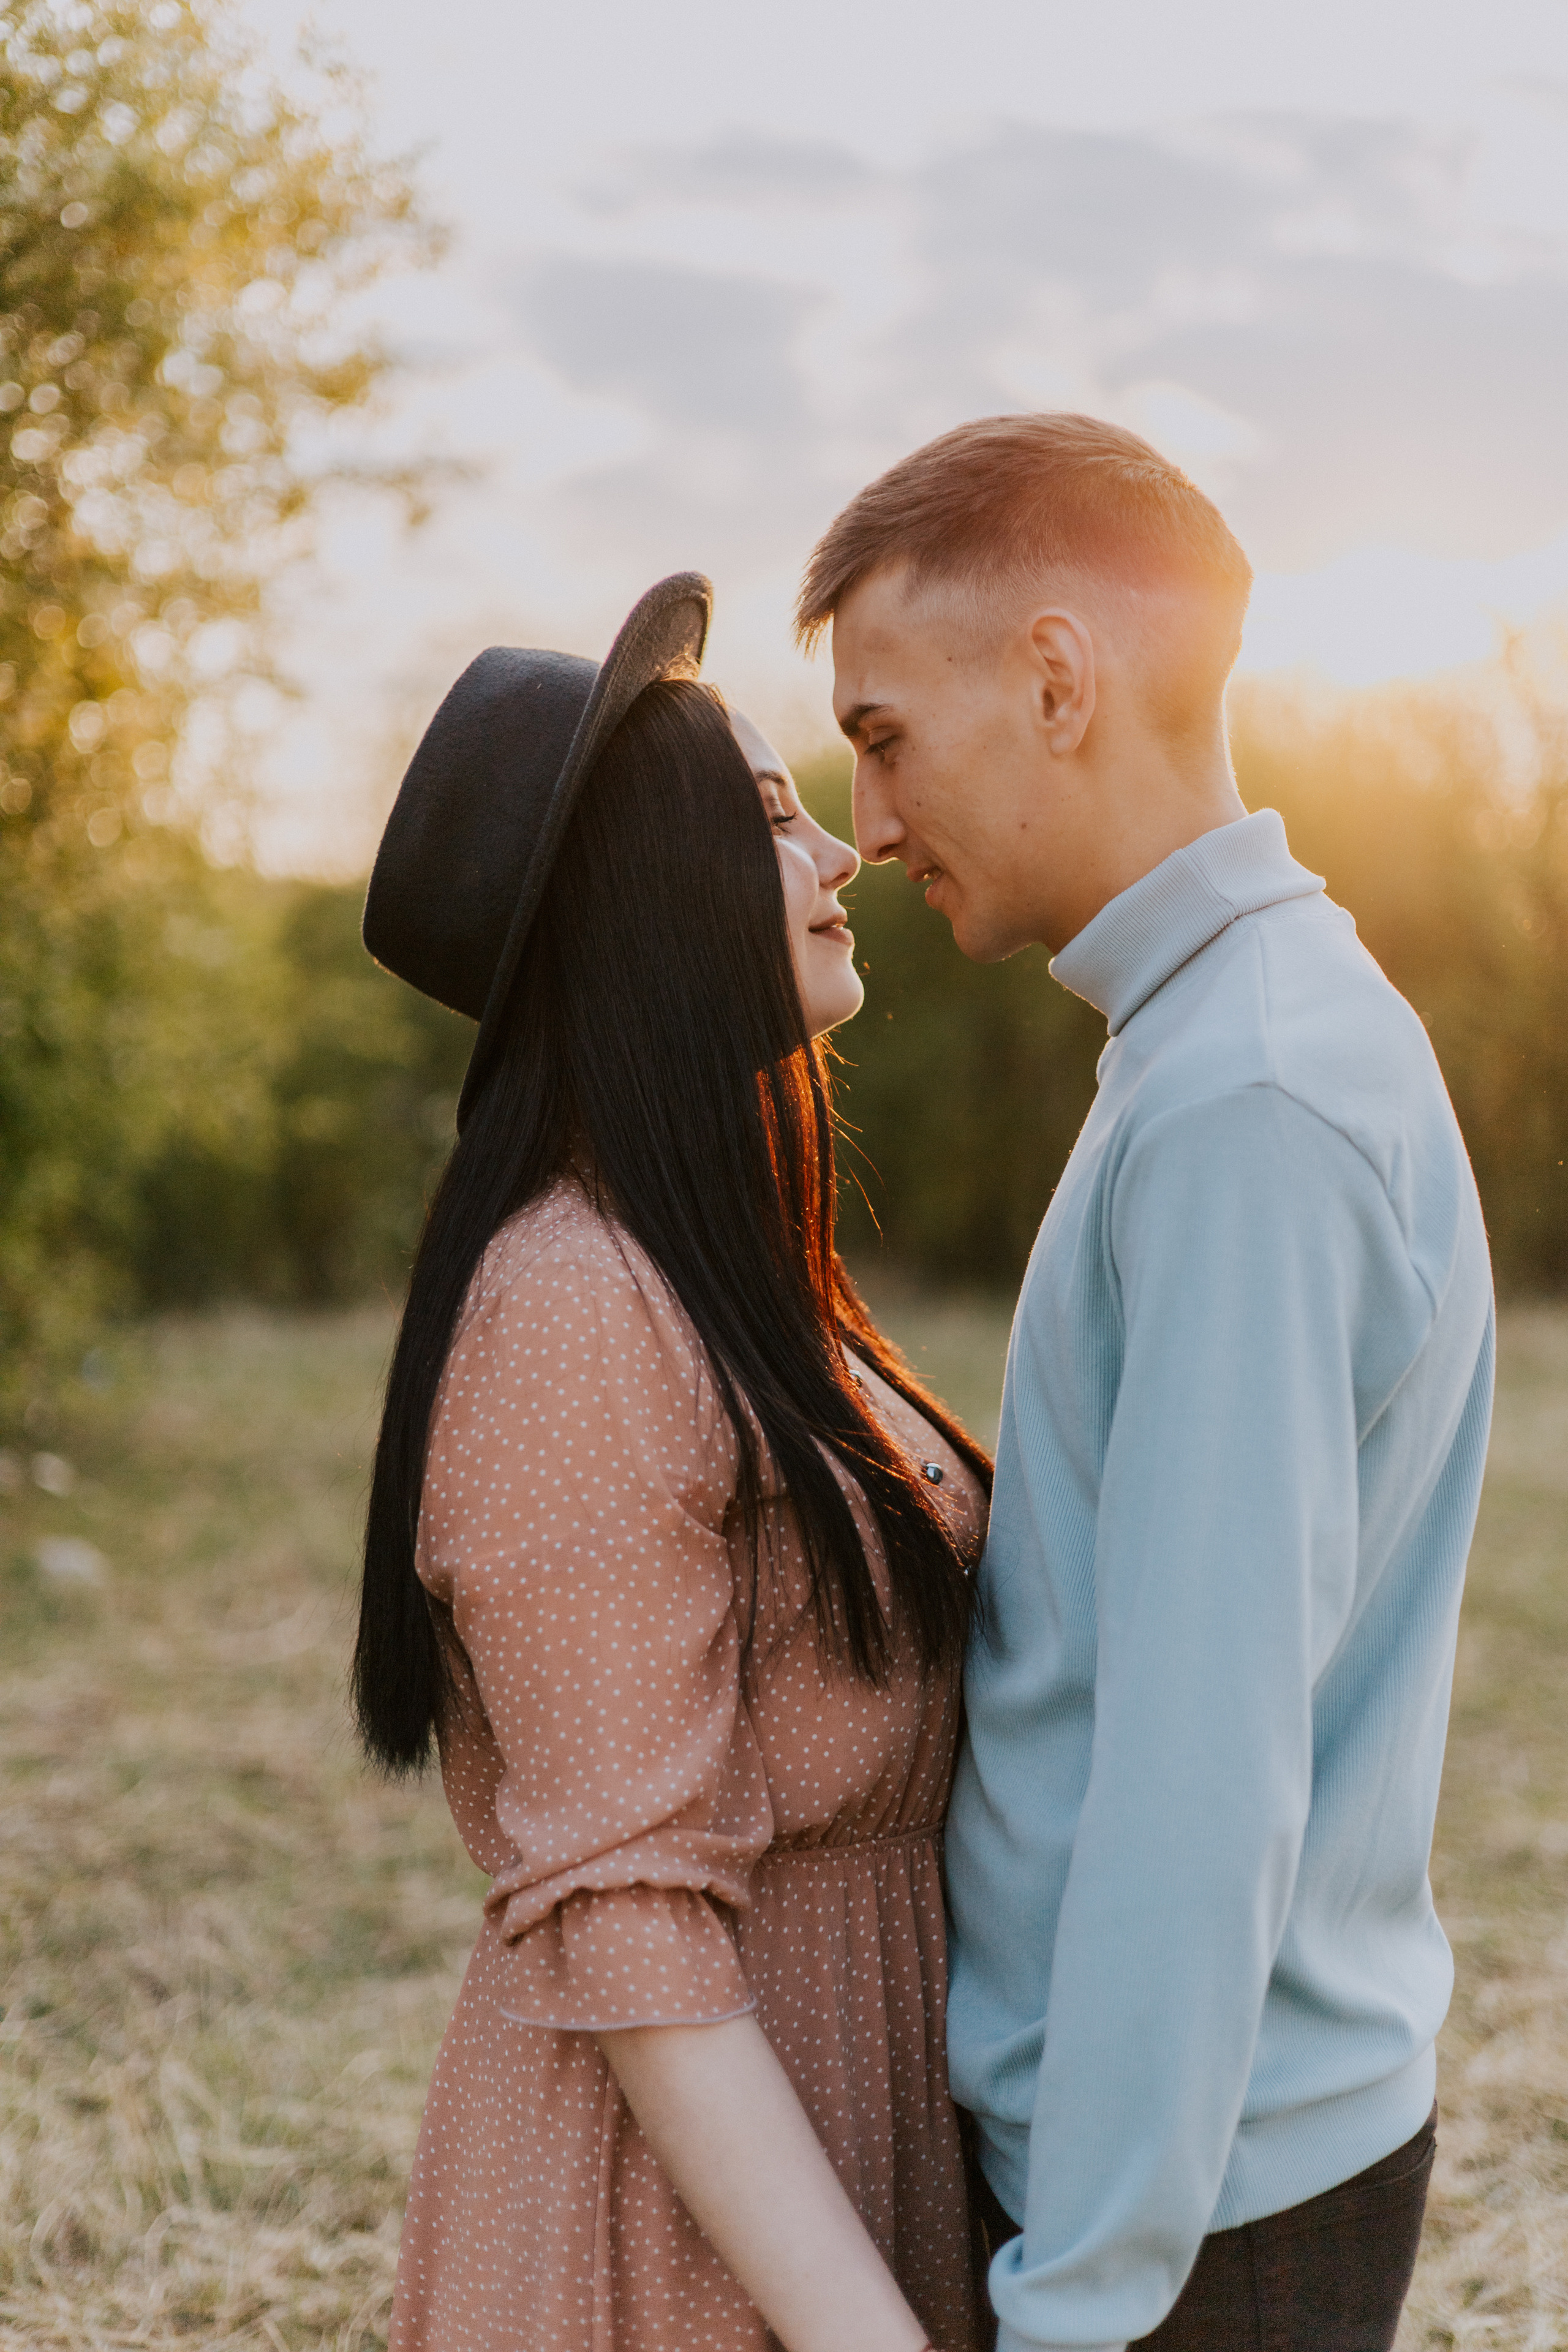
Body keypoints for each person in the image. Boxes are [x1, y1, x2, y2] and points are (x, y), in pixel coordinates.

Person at [795, 417, 1495, 2352]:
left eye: (883, 732)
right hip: (1203, 2179)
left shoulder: (1244, 1103)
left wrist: (1085, 2298)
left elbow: (1201, 1778)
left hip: (1192, 2227)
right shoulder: (1225, 1042)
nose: (866, 816)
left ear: (1054, 679)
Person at [353, 574, 992, 2352]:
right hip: (683, 2231)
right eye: (775, 817)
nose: (842, 855)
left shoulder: (742, 1277)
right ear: (649, 902)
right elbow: (635, 1932)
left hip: (838, 2144)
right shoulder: (571, 1304)